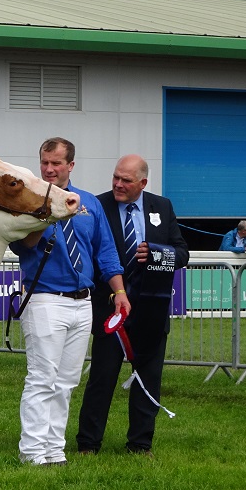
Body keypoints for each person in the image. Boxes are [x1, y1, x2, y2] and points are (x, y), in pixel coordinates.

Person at [8, 137, 129, 467]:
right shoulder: (29, 201)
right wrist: (49, 215)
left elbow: (105, 252)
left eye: (56, 163)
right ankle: (32, 452)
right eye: (45, 162)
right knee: (42, 378)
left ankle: (54, 449)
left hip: (83, 301)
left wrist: (119, 292)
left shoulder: (88, 203)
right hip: (46, 297)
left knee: (65, 382)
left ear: (70, 166)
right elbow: (24, 246)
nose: (49, 169)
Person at [77, 154, 189, 458]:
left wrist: (157, 253)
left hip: (151, 310)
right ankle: (88, 443)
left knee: (148, 379)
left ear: (143, 183)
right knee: (102, 378)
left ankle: (140, 444)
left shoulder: (161, 207)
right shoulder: (98, 205)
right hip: (111, 310)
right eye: (116, 177)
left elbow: (181, 253)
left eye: (126, 180)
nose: (118, 184)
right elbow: (90, 252)